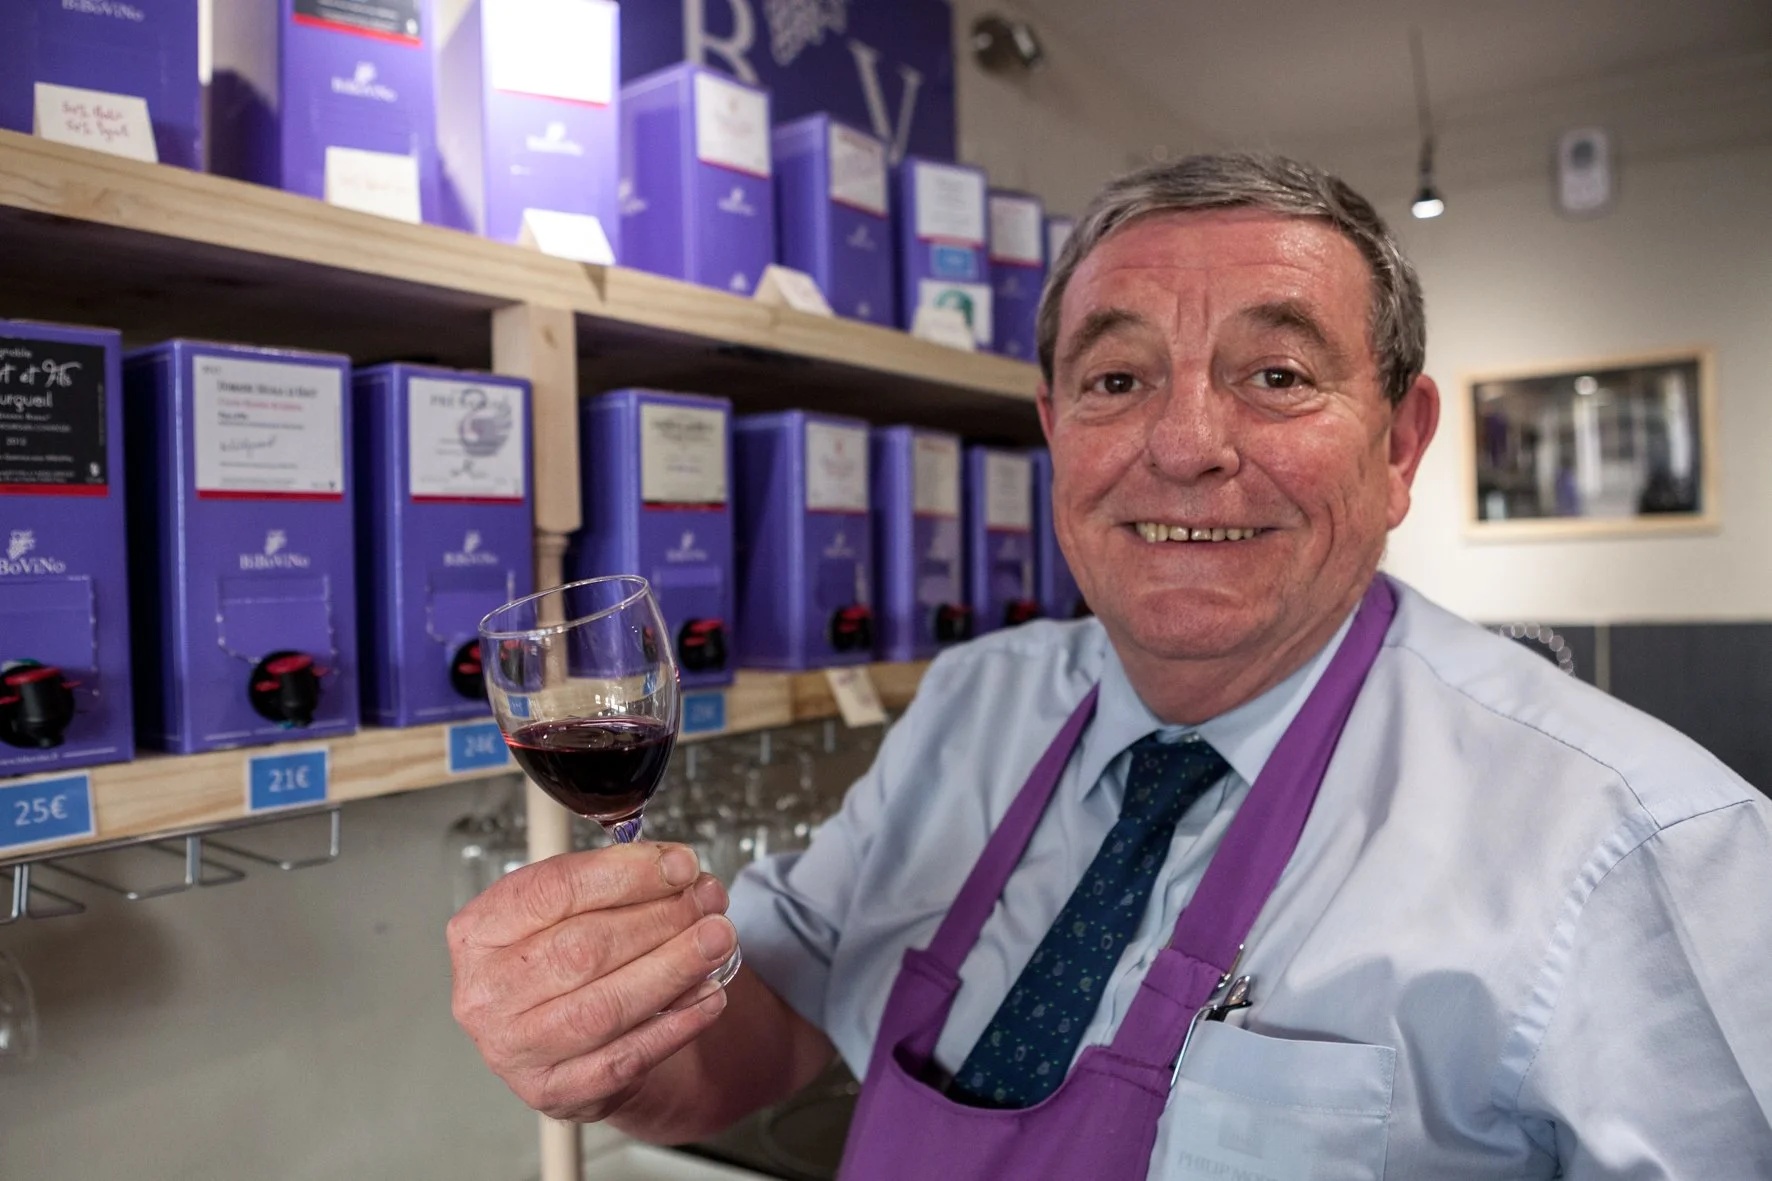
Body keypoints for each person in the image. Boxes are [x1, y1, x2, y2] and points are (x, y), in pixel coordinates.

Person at [448, 154, 1772, 1178]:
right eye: (1118, 379)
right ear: (1054, 431)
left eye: (1276, 373)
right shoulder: (975, 703)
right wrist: (605, 1045)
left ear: (1401, 445)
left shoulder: (1639, 843)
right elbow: (764, 1034)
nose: (1185, 445)